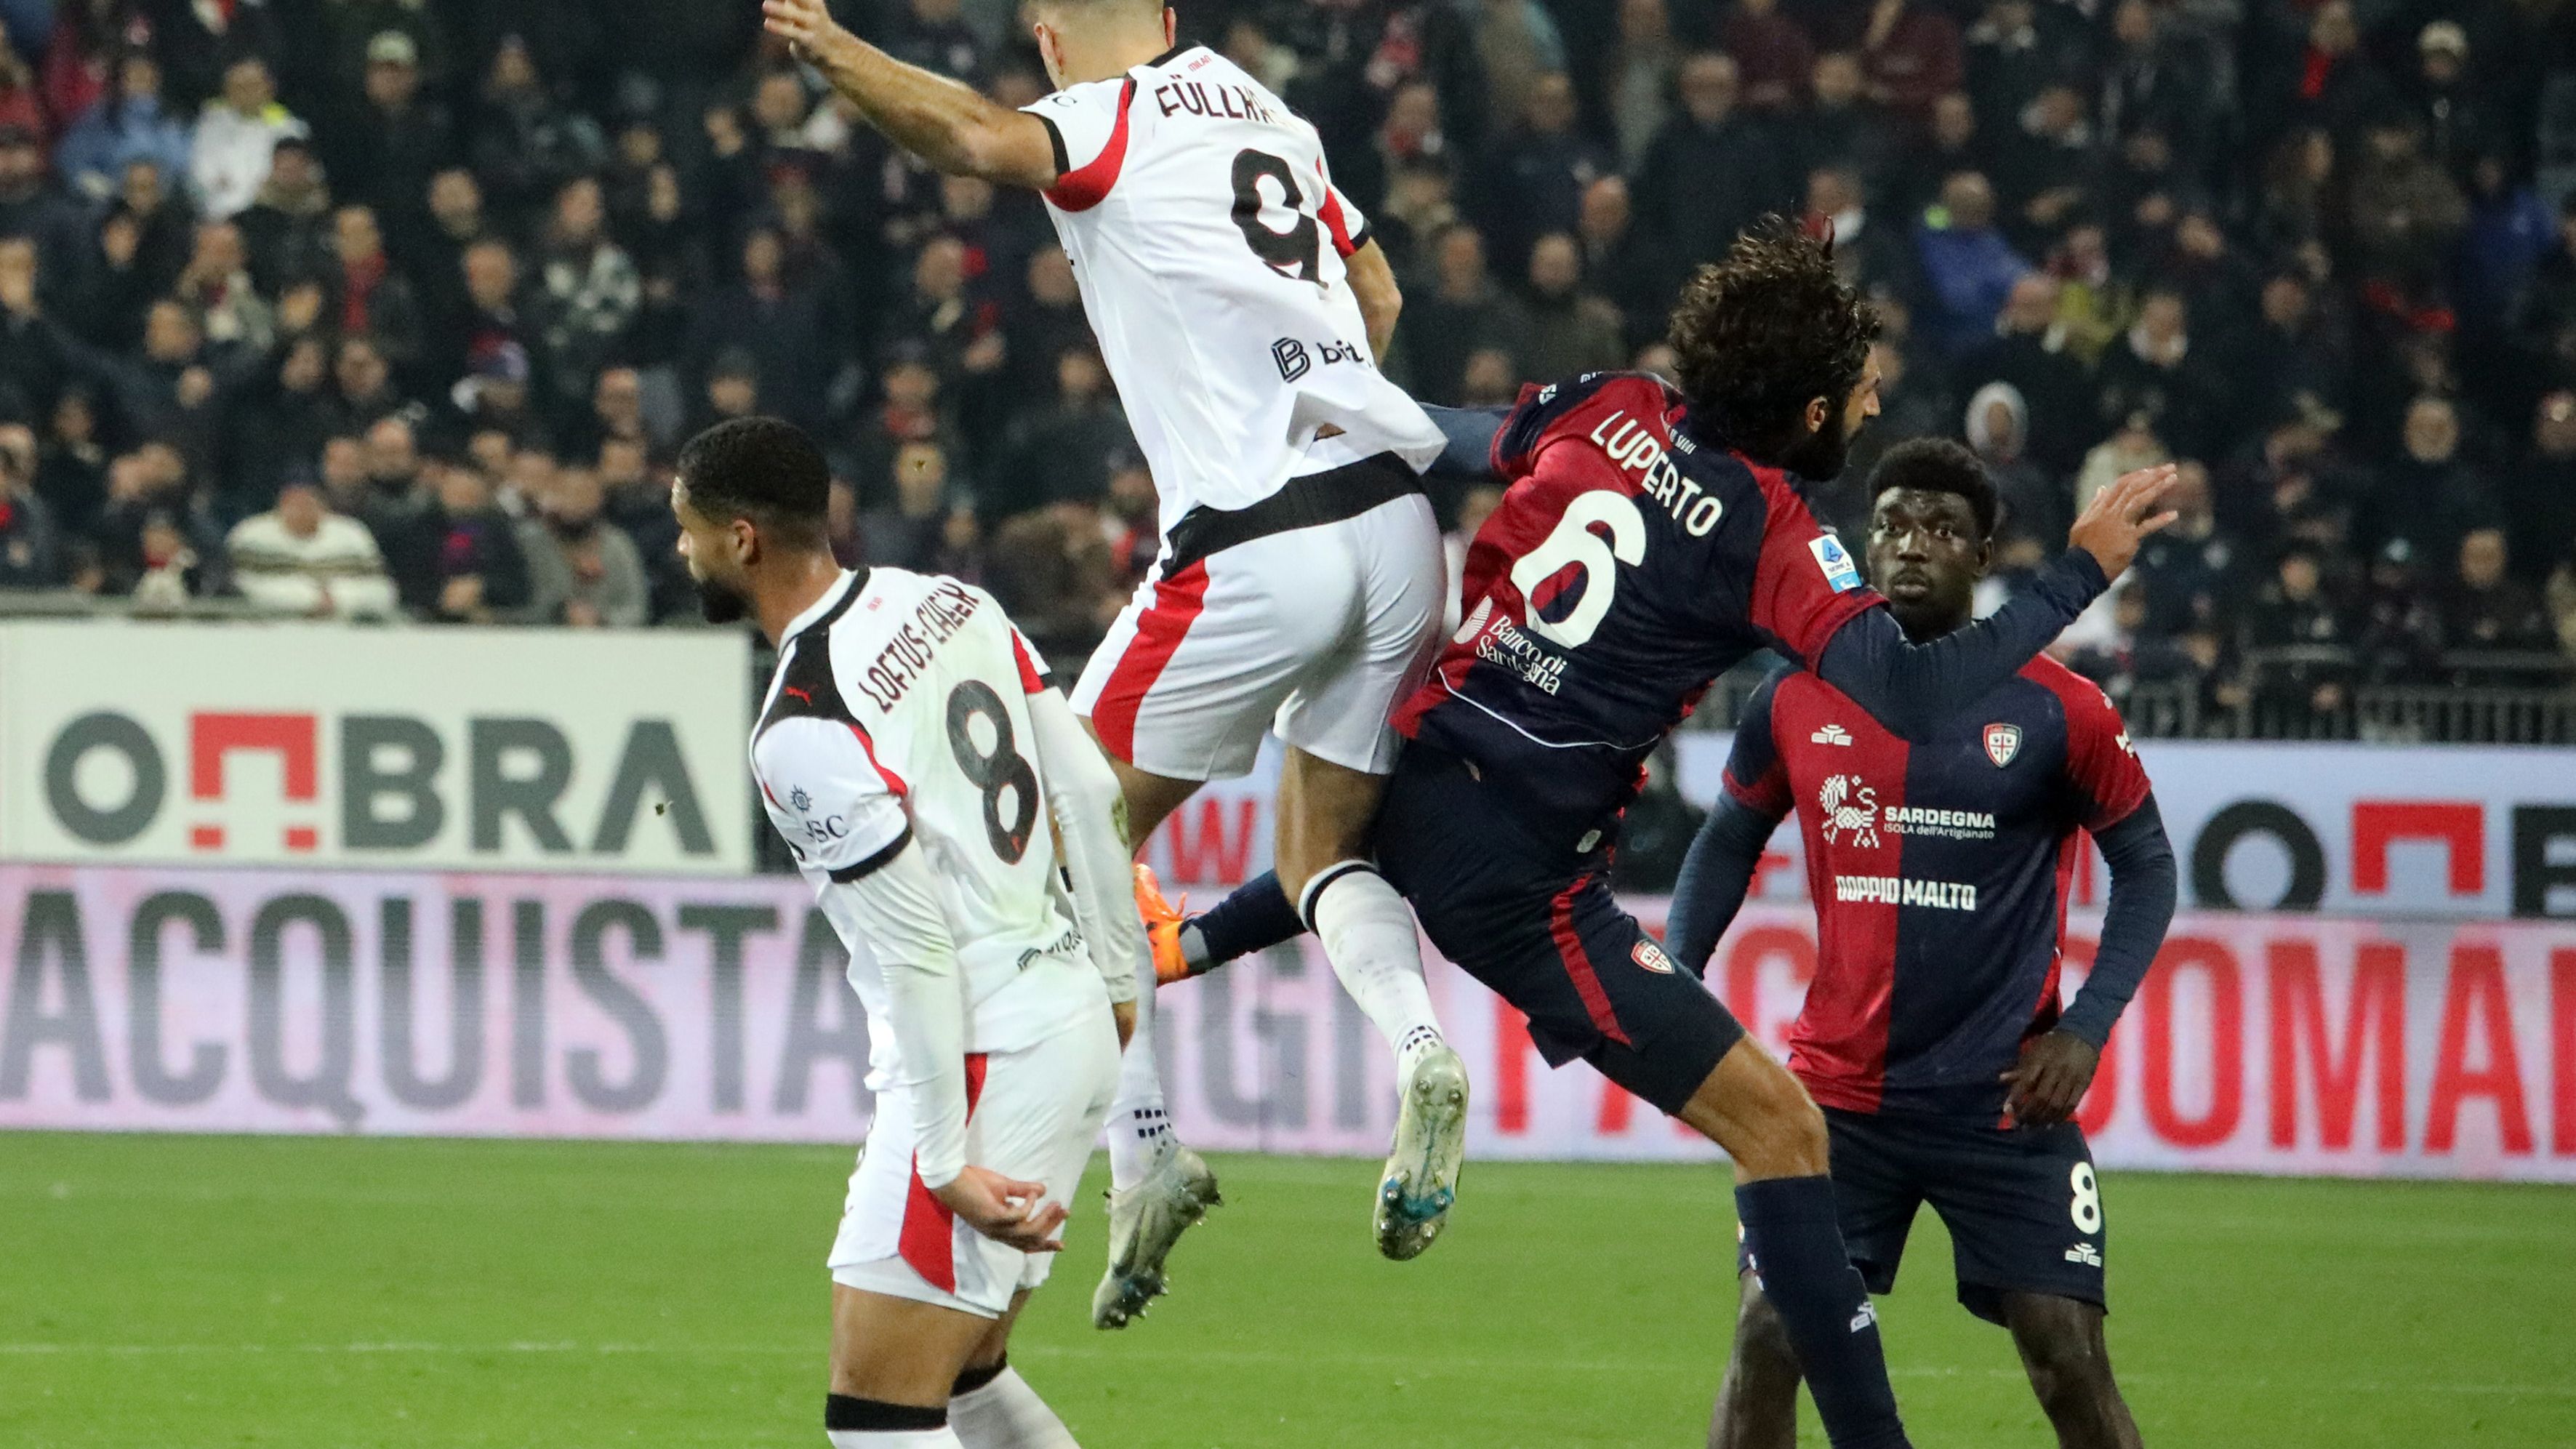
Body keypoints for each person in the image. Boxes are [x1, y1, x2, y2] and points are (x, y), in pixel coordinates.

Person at [1132, 223, 2178, 1449]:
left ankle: (1190, 947)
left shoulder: (1616, 404)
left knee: (1343, 853)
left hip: (1429, 762)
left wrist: (1318, 403)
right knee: (1782, 1130)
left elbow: (1450, 437)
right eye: (1863, 393)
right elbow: (1905, 692)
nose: (1876, 404)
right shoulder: (1776, 532)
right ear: (1807, 409)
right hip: (1531, 885)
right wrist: (2075, 576)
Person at [760, 0, 1473, 1318]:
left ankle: (1142, 1149)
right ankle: (1421, 1044)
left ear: (1046, 40)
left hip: (1256, 538)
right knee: (1323, 852)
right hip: (1393, 521)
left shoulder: (1104, 116)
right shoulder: (1274, 114)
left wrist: (836, 50)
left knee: (1049, 843)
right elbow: (1376, 290)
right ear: (1167, 15)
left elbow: (973, 141)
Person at [1666, 439, 2175, 1449]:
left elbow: (2150, 867)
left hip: (2003, 1104)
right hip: (1832, 1108)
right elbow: (1724, 840)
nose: (1910, 547)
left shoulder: (2060, 709)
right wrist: (1674, 983)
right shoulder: (1798, 695)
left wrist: (2086, 1026)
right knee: (1769, 1335)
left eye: (1941, 530)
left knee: (2068, 1359)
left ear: (1983, 554)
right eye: (1893, 523)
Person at [670, 416, 1141, 1449]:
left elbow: (918, 946)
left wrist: (938, 1161)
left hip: (982, 1060)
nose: (682, 550)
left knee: (879, 1410)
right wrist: (1119, 985)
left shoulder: (802, 722)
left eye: (689, 528)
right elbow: (1092, 786)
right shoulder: (952, 600)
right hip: (1064, 1019)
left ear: (742, 539)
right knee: (969, 1380)